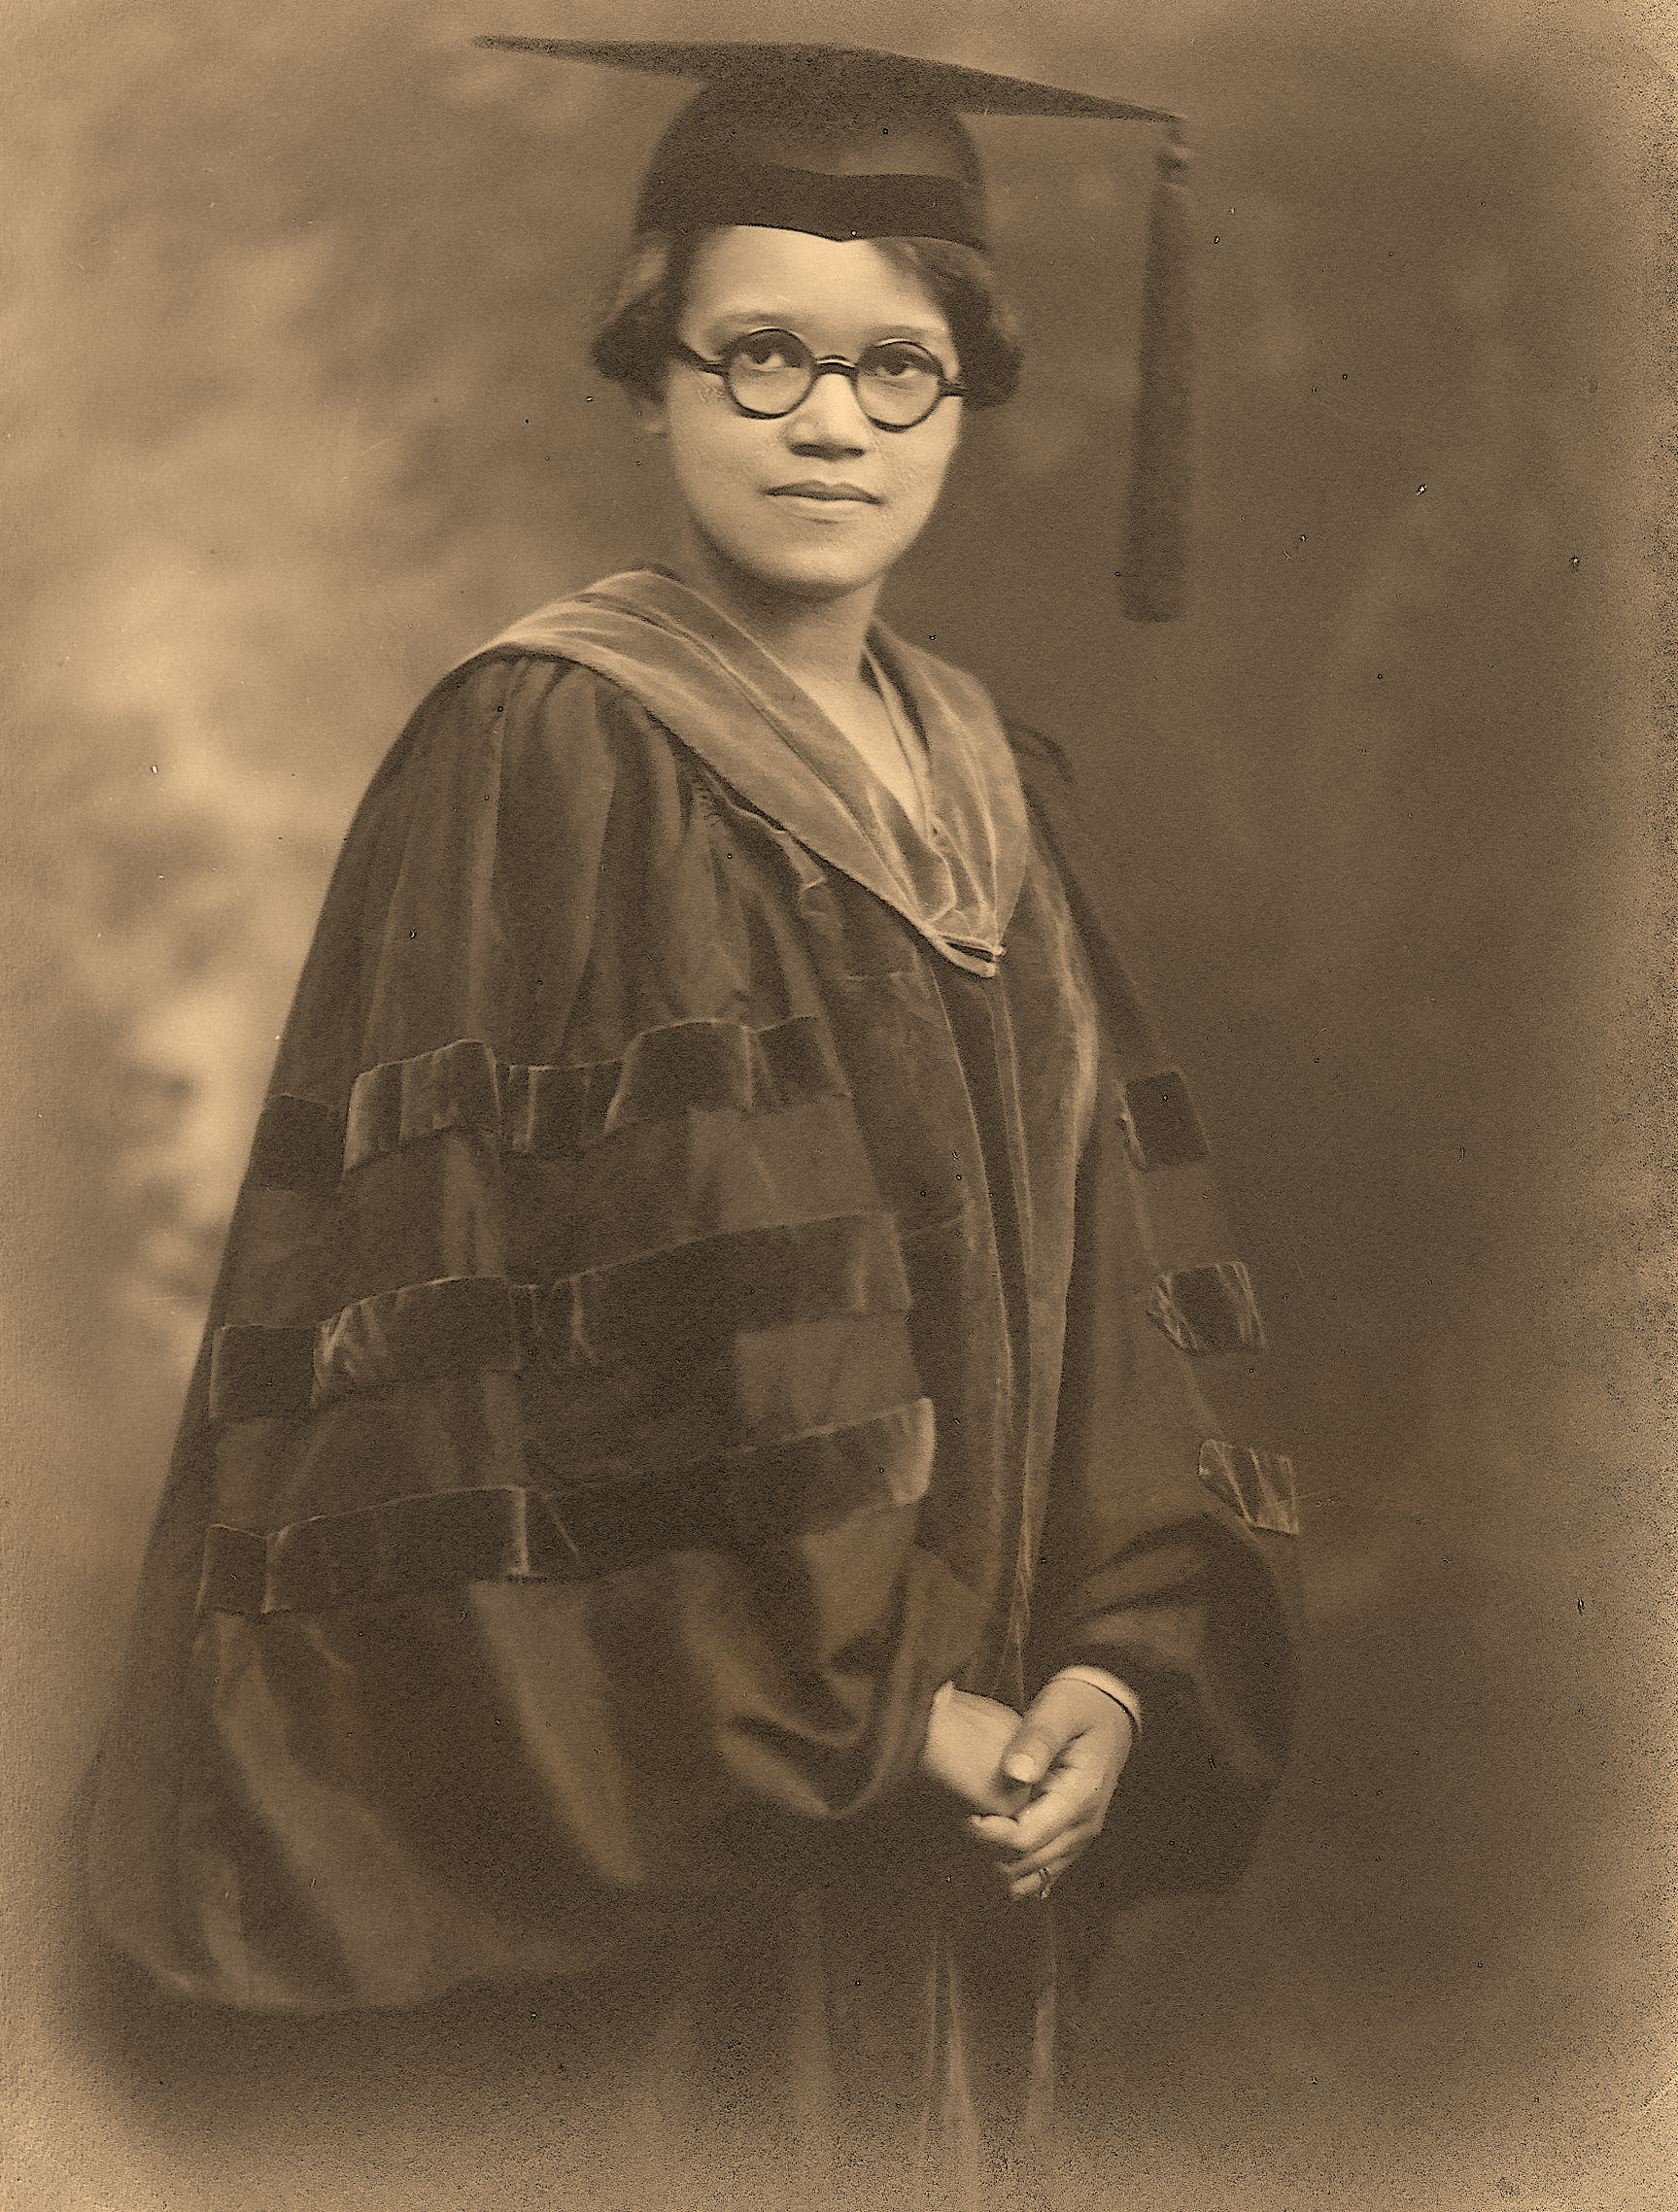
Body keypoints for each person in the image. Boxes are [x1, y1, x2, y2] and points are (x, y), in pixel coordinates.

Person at [86, 38, 1299, 2211]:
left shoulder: (999, 784)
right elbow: (553, 1367)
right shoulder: (552, 751)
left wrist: (1121, 1657)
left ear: (969, 392)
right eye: (757, 352)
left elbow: (1126, 1281)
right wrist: (895, 1692)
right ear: (650, 370)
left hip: (979, 1820)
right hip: (697, 1829)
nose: (827, 418)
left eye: (894, 366)